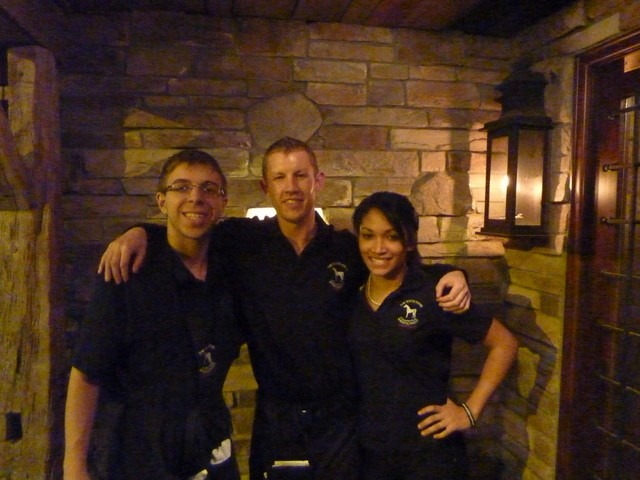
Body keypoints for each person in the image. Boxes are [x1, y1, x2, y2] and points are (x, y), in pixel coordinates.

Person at [97, 137, 472, 480]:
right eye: (279, 177)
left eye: (300, 175)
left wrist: (453, 273)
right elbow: (189, 228)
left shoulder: (345, 248)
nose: (291, 187)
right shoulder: (241, 241)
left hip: (340, 422)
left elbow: (396, 267)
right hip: (276, 419)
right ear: (266, 187)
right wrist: (140, 232)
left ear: (318, 181)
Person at [64, 150, 242, 480]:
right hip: (141, 453)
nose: (196, 197)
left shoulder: (234, 266)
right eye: (181, 187)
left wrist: (141, 229)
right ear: (161, 201)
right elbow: (87, 371)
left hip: (212, 446)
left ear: (222, 202)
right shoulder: (126, 271)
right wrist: (74, 466)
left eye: (208, 188)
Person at [349, 191, 519, 480]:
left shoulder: (435, 293)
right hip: (370, 454)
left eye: (391, 237)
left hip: (429, 454)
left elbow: (505, 344)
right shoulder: (352, 291)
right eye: (368, 236)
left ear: (409, 242)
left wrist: (469, 411)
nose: (378, 248)